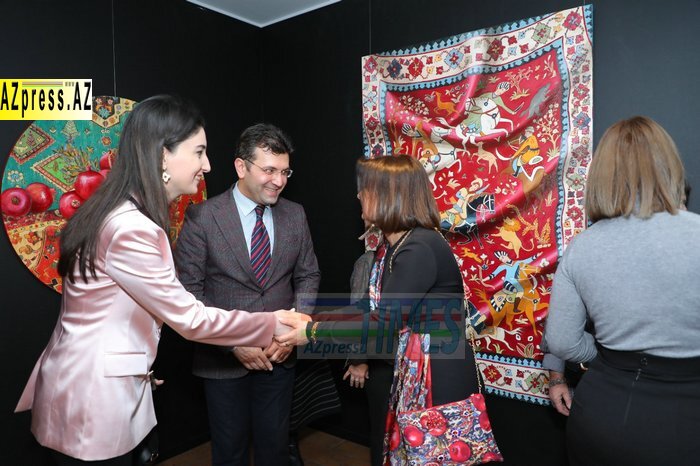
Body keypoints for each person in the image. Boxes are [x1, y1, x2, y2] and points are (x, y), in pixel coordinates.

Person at [14, 95, 307, 465]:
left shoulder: (119, 211)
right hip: (92, 399)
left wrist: (135, 368)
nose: (207, 165)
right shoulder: (132, 227)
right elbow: (190, 318)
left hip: (89, 385)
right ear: (163, 155)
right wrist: (275, 323)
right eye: (199, 152)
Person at [279, 155, 479, 466]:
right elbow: (368, 309)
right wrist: (310, 320)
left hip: (437, 380)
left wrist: (312, 332)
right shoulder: (394, 248)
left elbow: (383, 322)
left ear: (390, 195)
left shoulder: (419, 247)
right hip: (418, 373)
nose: (359, 195)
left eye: (366, 188)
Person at [545, 116, 700, 465]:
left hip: (600, 412)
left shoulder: (582, 247)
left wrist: (609, 357)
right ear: (669, 165)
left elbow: (562, 341)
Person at [174, 123, 320, 466]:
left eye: (285, 172)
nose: (278, 181)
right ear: (241, 167)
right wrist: (234, 343)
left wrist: (292, 333)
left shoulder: (295, 214)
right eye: (269, 170)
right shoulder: (203, 217)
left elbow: (308, 275)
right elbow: (188, 292)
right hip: (223, 362)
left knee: (275, 449)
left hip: (279, 356)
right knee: (230, 452)